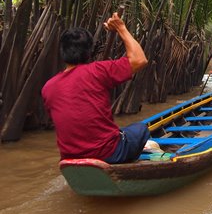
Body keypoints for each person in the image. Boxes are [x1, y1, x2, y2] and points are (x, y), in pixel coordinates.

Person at [42, 13, 150, 164]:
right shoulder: (98, 71)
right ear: (89, 52)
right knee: (141, 128)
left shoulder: (48, 87)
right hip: (108, 153)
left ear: (62, 52)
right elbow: (140, 59)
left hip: (69, 158)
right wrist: (121, 28)